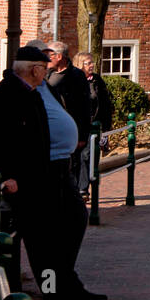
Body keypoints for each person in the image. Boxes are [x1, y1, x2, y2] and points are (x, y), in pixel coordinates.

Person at [0, 45, 106, 300]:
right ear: (35, 69)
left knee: (74, 219)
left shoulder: (35, 92)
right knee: (43, 242)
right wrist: (6, 175)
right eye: (43, 68)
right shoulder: (9, 94)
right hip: (30, 179)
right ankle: (55, 293)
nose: (46, 72)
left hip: (53, 171)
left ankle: (66, 285)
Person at [45, 41, 92, 190]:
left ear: (59, 57)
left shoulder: (76, 76)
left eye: (49, 55)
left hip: (72, 131)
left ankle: (78, 192)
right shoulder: (46, 75)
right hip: (51, 133)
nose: (46, 59)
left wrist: (82, 135)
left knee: (75, 164)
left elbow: (84, 107)